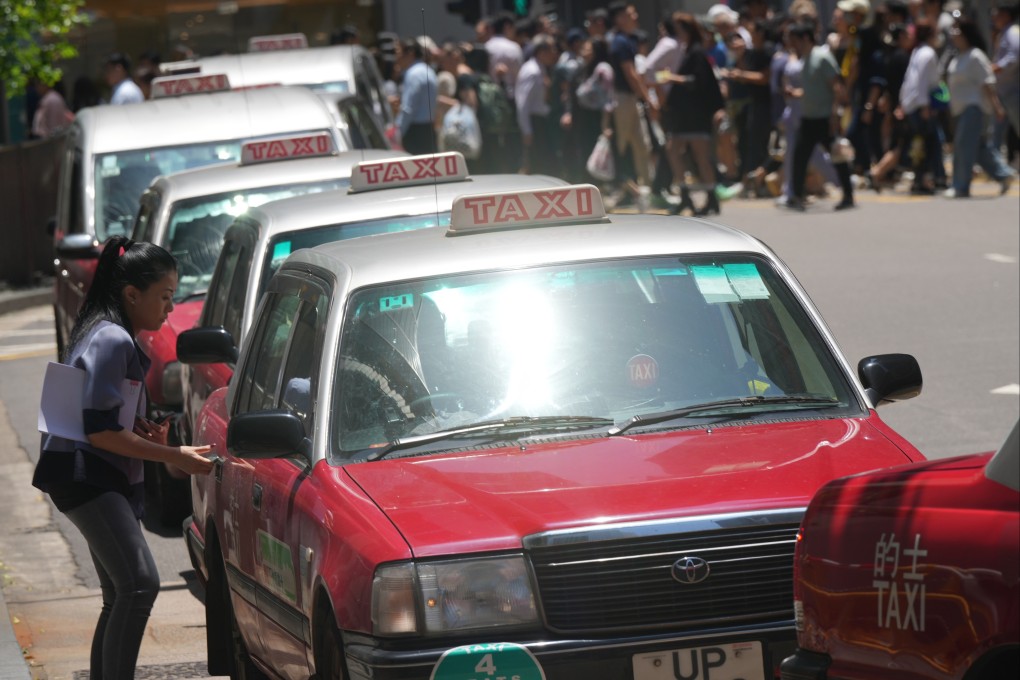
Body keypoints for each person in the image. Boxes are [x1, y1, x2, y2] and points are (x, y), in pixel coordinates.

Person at [32, 237, 214, 680]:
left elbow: (102, 421)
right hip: (87, 477)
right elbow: (98, 430)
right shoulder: (112, 337)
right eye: (166, 296)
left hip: (83, 474)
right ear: (131, 294)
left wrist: (142, 434)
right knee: (140, 583)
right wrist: (172, 454)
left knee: (119, 592)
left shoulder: (104, 330)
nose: (170, 308)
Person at [785, 22, 857, 211]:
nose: (793, 44)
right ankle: (796, 197)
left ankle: (848, 195)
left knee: (837, 157)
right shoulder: (806, 59)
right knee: (799, 157)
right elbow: (814, 89)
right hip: (809, 118)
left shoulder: (822, 57)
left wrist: (834, 115)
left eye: (795, 40)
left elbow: (836, 87)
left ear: (806, 38)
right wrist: (797, 94)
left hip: (824, 119)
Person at [944, 16, 1015, 197]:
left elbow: (987, 83)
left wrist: (997, 107)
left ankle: (960, 186)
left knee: (963, 147)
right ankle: (1004, 175)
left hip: (973, 108)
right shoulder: (959, 55)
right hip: (960, 109)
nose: (953, 34)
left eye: (957, 30)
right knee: (979, 148)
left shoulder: (976, 55)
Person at [662, 13, 726, 215]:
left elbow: (698, 81)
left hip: (696, 115)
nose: (677, 34)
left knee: (701, 156)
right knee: (674, 150)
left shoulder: (697, 53)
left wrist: (673, 78)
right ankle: (685, 195)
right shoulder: (687, 52)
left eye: (679, 30)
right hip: (683, 116)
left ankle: (711, 197)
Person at [607, 1, 658, 208]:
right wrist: (648, 99)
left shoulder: (625, 40)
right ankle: (621, 188)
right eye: (631, 13)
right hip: (623, 99)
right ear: (620, 18)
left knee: (642, 144)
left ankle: (646, 190)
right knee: (622, 146)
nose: (636, 16)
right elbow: (631, 74)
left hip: (629, 99)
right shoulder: (620, 42)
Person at [898, 19, 946, 194]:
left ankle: (922, 179)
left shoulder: (917, 52)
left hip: (913, 104)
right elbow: (922, 82)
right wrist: (925, 106)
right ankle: (926, 179)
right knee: (929, 144)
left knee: (921, 144)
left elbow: (909, 81)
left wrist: (903, 103)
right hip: (922, 106)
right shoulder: (927, 53)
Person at [394, 38, 438, 155]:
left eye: (398, 52)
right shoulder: (428, 70)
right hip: (428, 129)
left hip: (415, 132)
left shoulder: (413, 74)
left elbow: (408, 108)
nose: (396, 57)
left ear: (410, 53)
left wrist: (398, 132)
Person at [991, 0, 1020, 158]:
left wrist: (996, 67)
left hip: (1013, 91)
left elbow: (1014, 57)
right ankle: (998, 170)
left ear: (1006, 15)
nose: (994, 17)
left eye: (997, 14)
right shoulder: (1005, 32)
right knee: (996, 131)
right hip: (1003, 92)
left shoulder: (1013, 32)